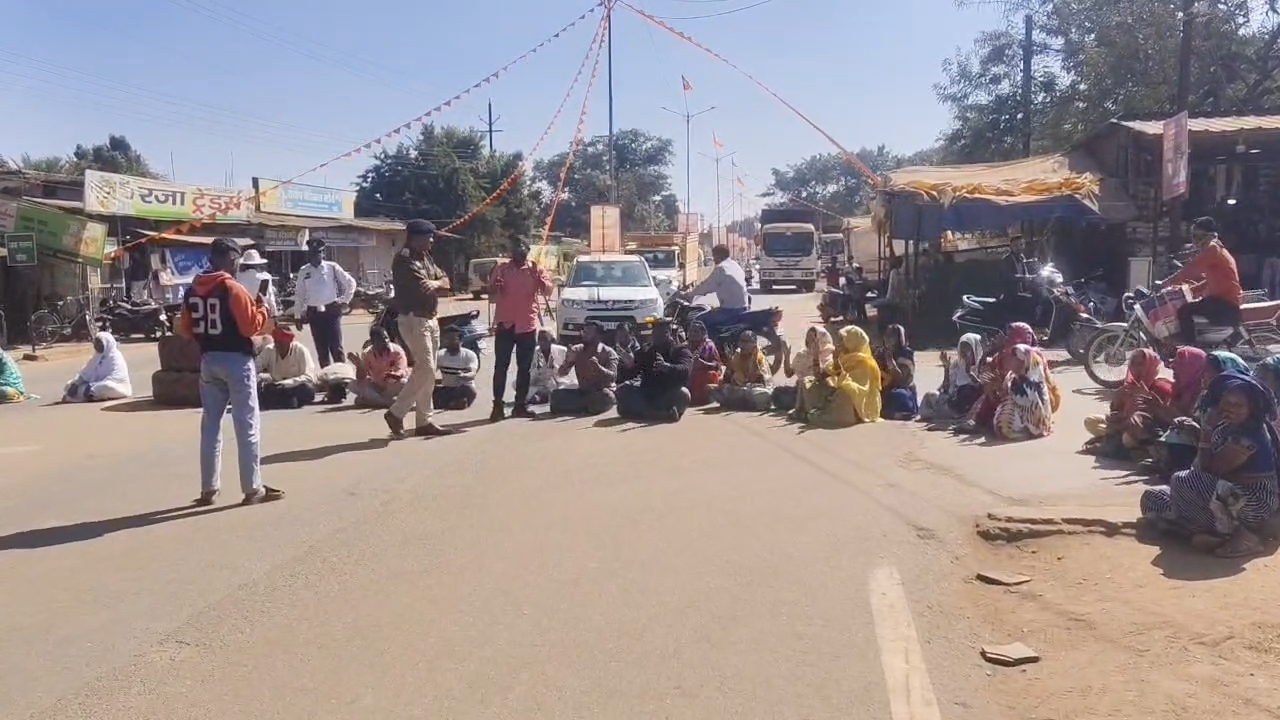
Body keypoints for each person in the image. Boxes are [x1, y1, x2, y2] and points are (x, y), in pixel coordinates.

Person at [176, 237, 282, 506]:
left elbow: (185, 330)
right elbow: (250, 328)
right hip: (236, 360)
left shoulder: (193, 290)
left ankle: (208, 489)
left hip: (208, 360)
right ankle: (252, 488)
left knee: (210, 425)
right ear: (230, 258)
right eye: (236, 260)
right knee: (247, 425)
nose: (237, 265)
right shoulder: (231, 288)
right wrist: (260, 308)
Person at [1140, 371, 1280, 558]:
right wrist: (1199, 431)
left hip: (1252, 502)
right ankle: (1205, 534)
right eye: (1227, 402)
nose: (1230, 408)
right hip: (1221, 495)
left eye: (1238, 405)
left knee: (1183, 481)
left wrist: (1206, 430)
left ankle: (1242, 536)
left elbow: (1209, 471)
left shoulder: (1249, 435)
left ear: (1251, 408)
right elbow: (1205, 466)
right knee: (1153, 497)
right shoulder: (1226, 425)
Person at [384, 219, 455, 438]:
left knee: (429, 372)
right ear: (416, 237)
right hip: (414, 320)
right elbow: (423, 289)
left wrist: (437, 283)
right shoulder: (404, 261)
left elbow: (446, 282)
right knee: (424, 368)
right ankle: (396, 412)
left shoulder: (425, 257)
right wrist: (436, 285)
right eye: (429, 237)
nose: (432, 241)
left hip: (431, 319)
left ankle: (424, 421)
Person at [488, 237, 553, 421]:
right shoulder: (501, 269)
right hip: (505, 323)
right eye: (515, 249)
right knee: (501, 366)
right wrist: (494, 287)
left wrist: (541, 281)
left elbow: (548, 290)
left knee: (524, 368)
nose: (518, 252)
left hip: (527, 325)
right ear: (511, 253)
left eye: (522, 249)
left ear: (527, 251)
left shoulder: (535, 269)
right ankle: (497, 406)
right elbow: (491, 294)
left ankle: (520, 405)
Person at [1083, 348, 1173, 457]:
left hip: (1147, 429)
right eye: (1133, 363)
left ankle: (1133, 447)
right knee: (1090, 421)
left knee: (1127, 438)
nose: (1136, 368)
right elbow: (1116, 411)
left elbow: (1164, 417)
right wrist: (1117, 398)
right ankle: (1114, 439)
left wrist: (1147, 398)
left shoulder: (1160, 385)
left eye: (1140, 364)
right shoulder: (1132, 383)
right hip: (1125, 423)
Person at [1167, 217, 1243, 345]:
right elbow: (1213, 280)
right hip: (1221, 300)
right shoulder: (1216, 248)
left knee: (1184, 311)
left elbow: (1192, 268)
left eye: (1196, 236)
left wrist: (1169, 282)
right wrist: (1190, 289)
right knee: (1191, 306)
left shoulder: (1213, 248)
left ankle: (1190, 349)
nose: (1194, 240)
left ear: (1206, 235)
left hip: (1225, 304)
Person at [292, 237, 356, 368]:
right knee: (322, 352)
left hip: (331, 311)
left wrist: (344, 301)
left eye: (319, 252)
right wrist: (297, 316)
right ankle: (327, 381)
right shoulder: (304, 271)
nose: (316, 256)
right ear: (309, 254)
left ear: (323, 253)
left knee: (336, 348)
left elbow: (351, 283)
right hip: (314, 314)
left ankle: (342, 379)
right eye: (313, 253)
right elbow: (299, 294)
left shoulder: (332, 267)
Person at [803, 325, 882, 428]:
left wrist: (837, 365)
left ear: (852, 341)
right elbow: (819, 377)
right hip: (834, 393)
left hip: (858, 401)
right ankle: (814, 411)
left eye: (843, 340)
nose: (840, 343)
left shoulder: (865, 363)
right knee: (808, 382)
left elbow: (857, 389)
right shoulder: (843, 356)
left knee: (845, 392)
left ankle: (832, 415)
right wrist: (815, 356)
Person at [1148, 347, 1210, 474]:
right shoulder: (1179, 388)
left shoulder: (1203, 394)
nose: (1174, 371)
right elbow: (1172, 421)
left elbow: (1194, 426)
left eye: (1179, 367)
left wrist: (1164, 410)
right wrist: (1159, 409)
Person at [616, 319, 693, 422]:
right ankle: (657, 414)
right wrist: (630, 365)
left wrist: (667, 367)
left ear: (669, 333)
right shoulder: (647, 351)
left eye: (662, 333)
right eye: (655, 333)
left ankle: (650, 413)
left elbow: (685, 370)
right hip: (647, 393)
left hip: (667, 393)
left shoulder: (680, 350)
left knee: (684, 394)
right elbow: (633, 373)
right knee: (623, 391)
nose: (657, 336)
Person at [550, 320, 619, 416]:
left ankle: (580, 407)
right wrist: (568, 362)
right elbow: (561, 374)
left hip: (601, 391)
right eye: (584, 332)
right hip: (583, 392)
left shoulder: (608, 352)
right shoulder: (577, 350)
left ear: (598, 336)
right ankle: (585, 407)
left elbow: (613, 377)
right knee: (556, 395)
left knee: (607, 397)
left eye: (588, 333)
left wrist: (599, 368)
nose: (584, 335)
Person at [993, 344, 1055, 441]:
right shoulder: (1012, 376)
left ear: (1025, 362)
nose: (1012, 361)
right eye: (1013, 358)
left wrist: (1019, 383)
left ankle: (1030, 429)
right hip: (1019, 409)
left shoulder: (1034, 380)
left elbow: (1035, 402)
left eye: (1016, 359)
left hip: (1032, 414)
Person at [680, 244, 749, 329]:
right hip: (743, 307)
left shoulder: (721, 269)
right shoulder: (735, 265)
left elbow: (706, 286)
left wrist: (688, 294)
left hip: (729, 310)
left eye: (714, 256)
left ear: (719, 256)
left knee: (698, 320)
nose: (713, 259)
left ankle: (709, 341)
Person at [920, 333, 983, 422]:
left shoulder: (982, 365)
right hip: (952, 400)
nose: (964, 352)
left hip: (970, 403)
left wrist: (969, 373)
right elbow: (946, 387)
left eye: (968, 348)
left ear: (975, 349)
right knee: (930, 395)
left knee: (967, 390)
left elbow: (982, 387)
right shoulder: (957, 365)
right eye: (962, 348)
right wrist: (946, 368)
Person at [772, 325, 834, 415]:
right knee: (777, 393)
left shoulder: (828, 355)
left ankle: (802, 407)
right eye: (808, 339)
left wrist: (815, 356)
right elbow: (789, 373)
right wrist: (787, 356)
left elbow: (820, 377)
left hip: (815, 391)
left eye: (813, 340)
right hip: (798, 391)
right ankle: (799, 404)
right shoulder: (802, 354)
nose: (809, 342)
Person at [709, 330, 774, 411]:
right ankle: (739, 403)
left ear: (754, 344)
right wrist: (729, 365)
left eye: (746, 342)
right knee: (713, 389)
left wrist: (745, 384)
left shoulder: (759, 358)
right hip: (739, 389)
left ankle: (737, 403)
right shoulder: (737, 355)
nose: (742, 345)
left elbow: (759, 380)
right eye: (741, 341)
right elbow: (727, 379)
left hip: (754, 390)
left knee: (761, 394)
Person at [255, 326, 317, 410]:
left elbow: (309, 377)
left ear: (288, 342)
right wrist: (260, 378)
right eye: (276, 342)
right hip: (277, 387)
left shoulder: (300, 350)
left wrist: (286, 383)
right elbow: (254, 368)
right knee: (265, 390)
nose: (277, 345)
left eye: (281, 343)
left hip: (295, 386)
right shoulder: (269, 350)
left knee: (307, 389)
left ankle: (285, 402)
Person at [62, 331, 132, 403]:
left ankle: (84, 396)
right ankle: (87, 396)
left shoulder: (115, 357)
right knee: (69, 385)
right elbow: (86, 373)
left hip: (117, 386)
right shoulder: (96, 356)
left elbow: (114, 378)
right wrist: (76, 384)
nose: (97, 345)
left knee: (104, 387)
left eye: (100, 343)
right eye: (96, 343)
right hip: (94, 384)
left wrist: (92, 385)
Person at [350, 326, 408, 408]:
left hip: (392, 385)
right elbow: (361, 377)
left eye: (386, 338)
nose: (386, 341)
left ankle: (372, 401)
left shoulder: (397, 351)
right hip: (376, 386)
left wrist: (393, 375)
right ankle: (387, 402)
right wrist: (359, 366)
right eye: (381, 339)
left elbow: (402, 370)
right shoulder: (367, 353)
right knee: (353, 385)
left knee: (404, 383)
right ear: (373, 342)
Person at [434, 326, 479, 410]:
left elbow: (472, 373)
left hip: (462, 387)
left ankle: (455, 403)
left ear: (461, 341)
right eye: (447, 339)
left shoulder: (469, 355)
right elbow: (431, 373)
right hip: (447, 388)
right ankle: (450, 403)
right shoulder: (440, 355)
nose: (449, 342)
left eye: (453, 339)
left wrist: (464, 376)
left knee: (469, 390)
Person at [878, 324, 918, 420]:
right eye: (886, 335)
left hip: (903, 389)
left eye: (891, 336)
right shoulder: (879, 353)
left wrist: (890, 362)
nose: (887, 338)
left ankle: (900, 414)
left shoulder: (906, 354)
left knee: (899, 395)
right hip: (883, 387)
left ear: (900, 338)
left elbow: (901, 380)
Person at [686, 320, 722, 406]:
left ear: (703, 333)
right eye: (690, 331)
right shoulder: (686, 345)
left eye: (696, 331)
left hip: (706, 373)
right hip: (691, 373)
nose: (692, 334)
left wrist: (703, 363)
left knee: (706, 375)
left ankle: (701, 399)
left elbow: (716, 366)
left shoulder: (709, 346)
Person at [528, 329, 569, 404]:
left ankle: (545, 397)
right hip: (542, 385)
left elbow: (567, 372)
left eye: (545, 339)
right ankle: (544, 397)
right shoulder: (535, 352)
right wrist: (538, 369)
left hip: (559, 384)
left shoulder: (562, 351)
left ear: (552, 341)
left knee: (571, 386)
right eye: (539, 339)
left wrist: (552, 368)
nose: (541, 342)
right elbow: (531, 375)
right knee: (517, 385)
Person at [235, 249, 279, 317]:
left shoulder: (237, 277)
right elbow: (270, 298)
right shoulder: (265, 277)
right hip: (259, 312)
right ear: (258, 264)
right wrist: (274, 313)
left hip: (241, 312)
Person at [876, 256, 908, 337]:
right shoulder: (895, 272)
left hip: (895, 297)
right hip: (893, 297)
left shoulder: (897, 272)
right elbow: (896, 286)